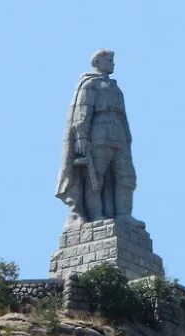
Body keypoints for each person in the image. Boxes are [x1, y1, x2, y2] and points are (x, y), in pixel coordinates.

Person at [55, 49, 137, 222]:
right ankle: (96, 215)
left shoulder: (115, 88)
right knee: (94, 178)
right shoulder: (90, 84)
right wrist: (82, 137)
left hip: (119, 136)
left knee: (126, 176)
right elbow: (82, 111)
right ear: (98, 62)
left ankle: (123, 215)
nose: (112, 63)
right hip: (100, 135)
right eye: (109, 60)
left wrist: (127, 139)